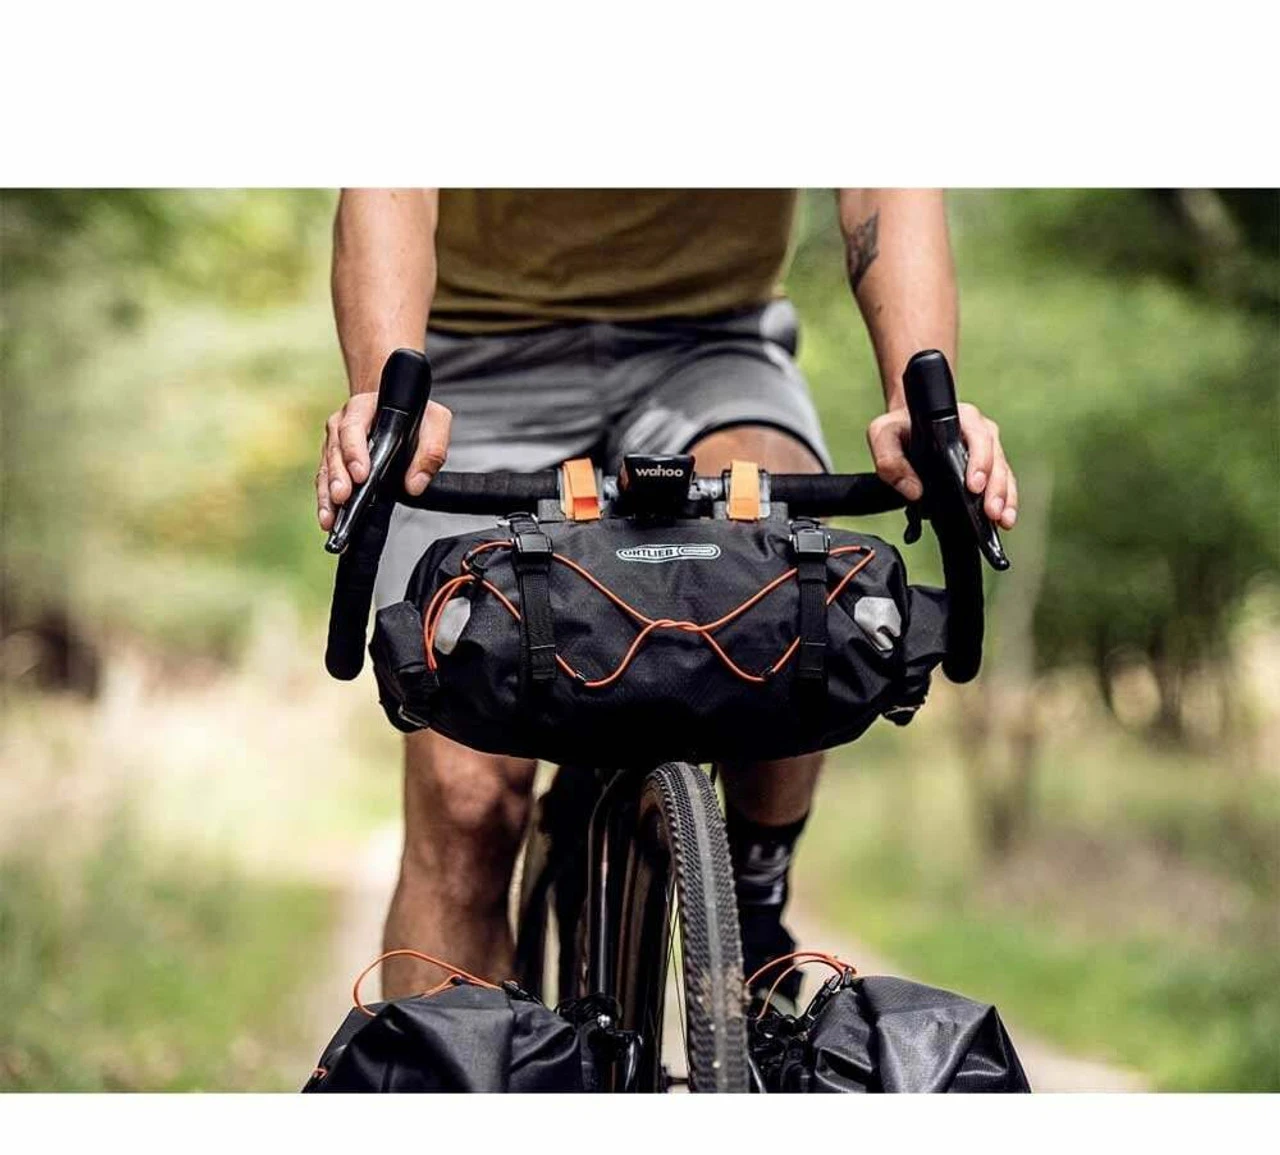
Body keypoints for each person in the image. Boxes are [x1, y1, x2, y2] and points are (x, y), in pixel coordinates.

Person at [316, 189, 1018, 1005]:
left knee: (788, 595)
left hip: (713, 345)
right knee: (465, 797)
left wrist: (920, 402)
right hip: (470, 353)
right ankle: (453, 1066)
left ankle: (755, 889)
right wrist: (384, 387)